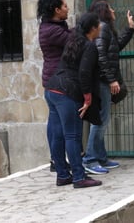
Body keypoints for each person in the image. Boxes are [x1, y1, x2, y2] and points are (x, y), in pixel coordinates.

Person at [45, 12, 103, 188]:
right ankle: (79, 177)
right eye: (99, 25)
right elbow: (84, 72)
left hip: (52, 89)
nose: (101, 27)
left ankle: (62, 175)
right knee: (72, 136)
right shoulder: (89, 46)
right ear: (93, 28)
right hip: (67, 93)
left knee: (57, 135)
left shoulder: (73, 41)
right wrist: (87, 98)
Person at [82, 0, 134, 174]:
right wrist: (111, 79)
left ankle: (101, 157)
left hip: (104, 79)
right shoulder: (103, 28)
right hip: (101, 80)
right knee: (101, 120)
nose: (113, 10)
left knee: (102, 119)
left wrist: (130, 29)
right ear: (104, 11)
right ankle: (90, 159)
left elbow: (115, 48)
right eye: (110, 8)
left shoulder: (105, 28)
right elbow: (101, 56)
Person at [37, 0, 73, 172]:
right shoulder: (52, 31)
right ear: (56, 10)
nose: (68, 8)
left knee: (54, 124)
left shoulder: (52, 26)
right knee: (62, 130)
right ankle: (61, 166)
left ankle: (56, 161)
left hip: (52, 81)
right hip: (57, 82)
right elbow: (73, 40)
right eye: (65, 6)